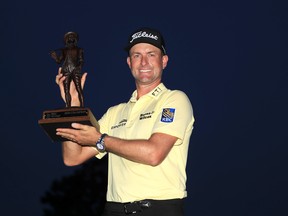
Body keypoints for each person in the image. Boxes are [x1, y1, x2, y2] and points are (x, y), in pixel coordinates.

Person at [55, 27, 195, 216]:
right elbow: (73, 157)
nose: (143, 61)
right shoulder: (115, 112)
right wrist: (72, 105)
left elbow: (154, 153)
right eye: (137, 55)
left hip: (158, 209)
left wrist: (101, 140)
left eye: (151, 54)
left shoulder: (175, 99)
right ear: (129, 63)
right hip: (114, 209)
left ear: (164, 61)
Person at [50, 31, 84, 107]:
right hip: (66, 71)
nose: (71, 37)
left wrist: (79, 67)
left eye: (72, 36)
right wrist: (55, 56)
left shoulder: (79, 49)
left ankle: (82, 107)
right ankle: (68, 106)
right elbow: (59, 61)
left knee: (79, 89)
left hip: (75, 70)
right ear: (66, 39)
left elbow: (81, 60)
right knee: (66, 90)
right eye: (69, 36)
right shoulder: (64, 50)